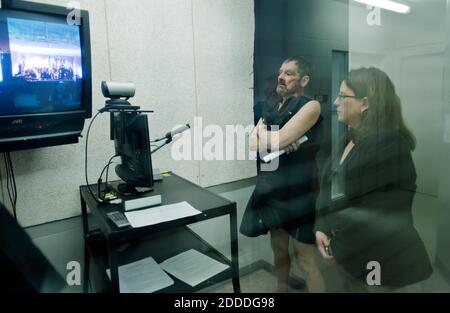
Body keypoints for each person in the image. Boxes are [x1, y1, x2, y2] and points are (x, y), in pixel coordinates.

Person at [314, 67, 432, 292]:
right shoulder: (351, 137)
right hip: (348, 254)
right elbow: (328, 186)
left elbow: (369, 210)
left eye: (343, 96)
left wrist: (334, 237)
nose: (336, 102)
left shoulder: (390, 145)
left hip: (381, 259)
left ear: (365, 104)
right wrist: (322, 226)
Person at [240, 56, 325, 292]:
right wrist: (277, 141)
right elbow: (252, 145)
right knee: (278, 249)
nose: (281, 77)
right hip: (273, 188)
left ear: (304, 80)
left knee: (304, 258)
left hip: (300, 192)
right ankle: (281, 289)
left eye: (289, 73)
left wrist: (270, 138)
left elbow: (272, 140)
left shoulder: (310, 106)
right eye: (280, 72)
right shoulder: (272, 106)